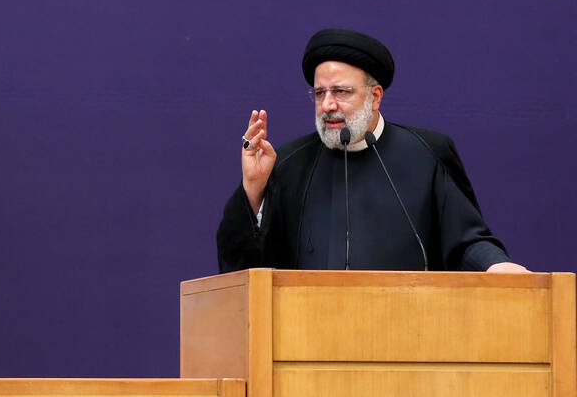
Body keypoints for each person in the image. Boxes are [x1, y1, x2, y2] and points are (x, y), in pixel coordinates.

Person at [217, 28, 527, 273]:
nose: (327, 105)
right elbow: (243, 266)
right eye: (320, 93)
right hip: (308, 330)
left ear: (375, 96)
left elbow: (466, 240)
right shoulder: (289, 163)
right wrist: (253, 190)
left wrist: (496, 265)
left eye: (341, 91)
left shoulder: (426, 154)